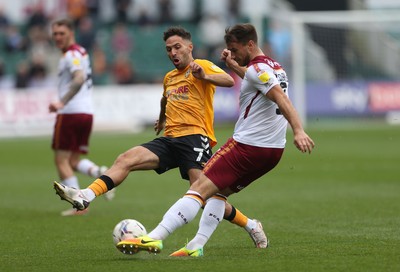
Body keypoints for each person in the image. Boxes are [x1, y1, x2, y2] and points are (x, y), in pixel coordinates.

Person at [53, 26, 268, 248]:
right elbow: (165, 99)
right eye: (168, 49)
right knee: (125, 159)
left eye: (177, 47)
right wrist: (162, 118)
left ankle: (251, 225)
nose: (173, 53)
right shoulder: (169, 78)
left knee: (205, 197)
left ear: (189, 47)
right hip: (169, 139)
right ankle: (86, 195)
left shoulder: (201, 66)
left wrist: (204, 76)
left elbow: (229, 81)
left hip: (195, 138)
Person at [115, 23, 315, 257]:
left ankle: (155, 237)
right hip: (272, 151)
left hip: (247, 145)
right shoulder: (274, 67)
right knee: (219, 194)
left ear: (249, 44)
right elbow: (255, 81)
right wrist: (233, 65)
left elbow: (280, 97)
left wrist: (299, 130)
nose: (232, 53)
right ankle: (196, 246)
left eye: (234, 49)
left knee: (198, 189)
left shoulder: (257, 68)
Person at [49, 18, 114, 216]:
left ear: (71, 32)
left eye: (62, 33)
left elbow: (78, 78)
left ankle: (79, 206)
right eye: (55, 34)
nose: (58, 37)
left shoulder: (71, 55)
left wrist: (62, 101)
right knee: (74, 160)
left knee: (61, 161)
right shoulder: (82, 52)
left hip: (70, 113)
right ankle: (100, 174)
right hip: (86, 112)